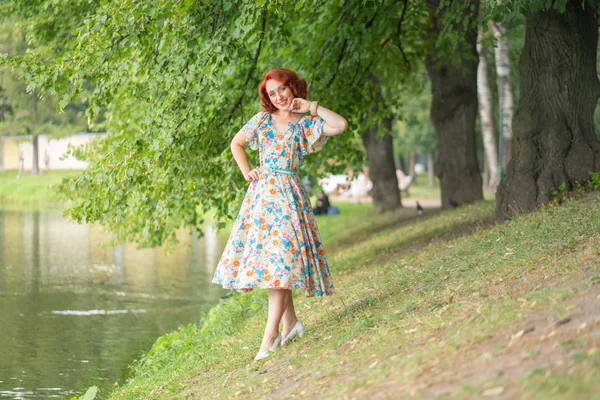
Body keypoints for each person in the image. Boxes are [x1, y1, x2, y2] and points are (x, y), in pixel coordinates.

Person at [212, 68, 348, 361]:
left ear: (293, 88)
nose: (278, 97)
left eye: (282, 90)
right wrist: (248, 171)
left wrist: (311, 107)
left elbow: (340, 125)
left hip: (290, 196)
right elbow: (236, 143)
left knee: (283, 263)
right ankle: (291, 324)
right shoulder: (262, 120)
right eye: (272, 93)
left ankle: (270, 337)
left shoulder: (305, 124)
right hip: (262, 198)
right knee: (276, 264)